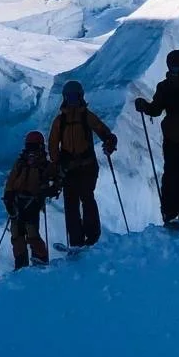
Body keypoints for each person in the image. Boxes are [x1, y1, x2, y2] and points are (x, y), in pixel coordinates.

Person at [135, 49, 179, 224]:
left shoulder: (169, 86)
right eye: (174, 66)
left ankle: (173, 212)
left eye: (178, 66)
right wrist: (145, 107)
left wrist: (145, 107)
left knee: (178, 173)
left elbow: (156, 110)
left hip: (177, 134)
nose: (176, 69)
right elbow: (156, 109)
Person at [48, 80, 116, 248]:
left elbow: (101, 130)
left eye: (74, 97)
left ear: (80, 97)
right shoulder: (63, 120)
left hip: (85, 167)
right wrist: (57, 164)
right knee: (74, 203)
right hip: (73, 168)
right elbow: (53, 144)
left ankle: (90, 238)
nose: (72, 100)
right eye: (69, 97)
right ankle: (78, 241)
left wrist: (109, 139)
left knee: (85, 199)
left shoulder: (83, 117)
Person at [2, 130, 58, 269]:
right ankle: (22, 265)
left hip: (32, 202)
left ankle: (39, 260)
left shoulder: (43, 165)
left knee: (30, 234)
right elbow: (11, 181)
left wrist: (51, 189)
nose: (31, 150)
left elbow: (56, 179)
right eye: (30, 147)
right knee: (17, 234)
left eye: (33, 147)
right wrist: (9, 196)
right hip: (18, 202)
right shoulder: (21, 163)